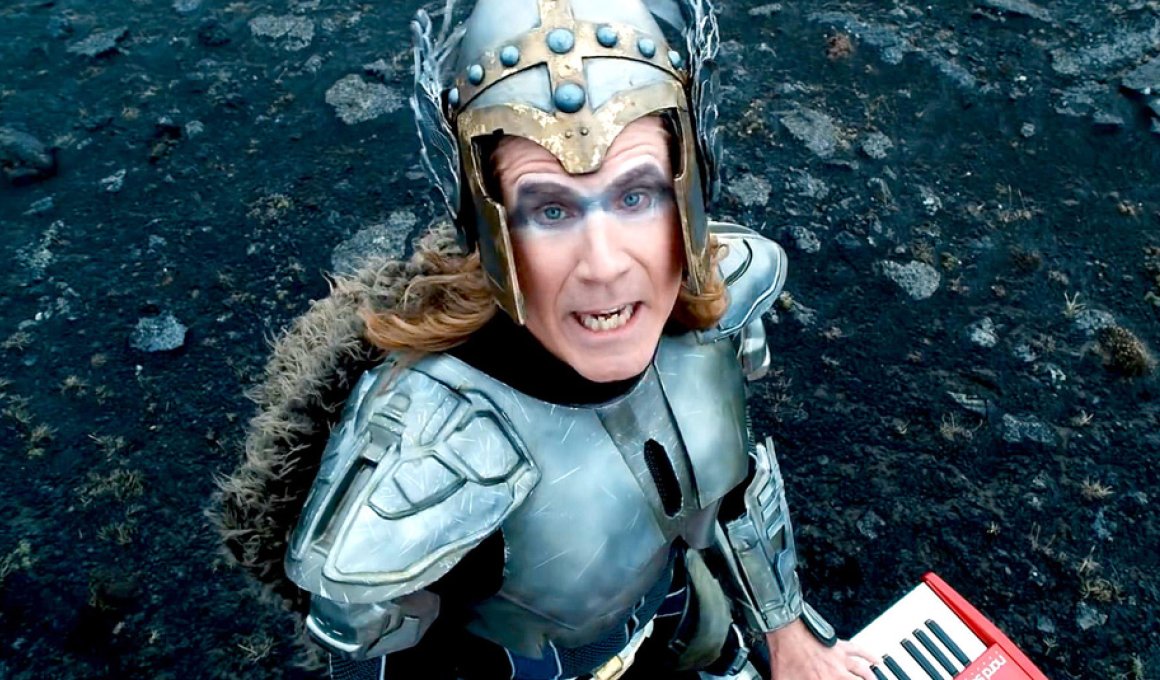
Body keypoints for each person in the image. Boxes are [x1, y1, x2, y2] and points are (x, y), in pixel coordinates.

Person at [213, 0, 879, 678]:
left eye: (636, 196)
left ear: (688, 195)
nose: (604, 265)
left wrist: (789, 640)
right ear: (491, 229)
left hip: (672, 608)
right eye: (551, 209)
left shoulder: (717, 303)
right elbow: (373, 649)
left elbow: (732, 487)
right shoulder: (433, 445)